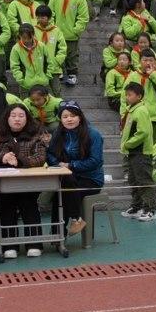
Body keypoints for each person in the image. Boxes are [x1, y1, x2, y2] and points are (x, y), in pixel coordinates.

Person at [0, 104, 47, 259]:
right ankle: (9, 245)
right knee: (6, 208)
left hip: (28, 183)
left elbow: (40, 157)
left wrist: (20, 160)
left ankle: (34, 244)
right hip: (4, 183)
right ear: (7, 118)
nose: (17, 119)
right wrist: (2, 158)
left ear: (27, 118)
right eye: (13, 116)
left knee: (29, 206)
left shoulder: (35, 136)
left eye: (21, 116)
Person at [46, 100, 104, 237]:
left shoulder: (93, 134)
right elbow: (50, 154)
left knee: (62, 193)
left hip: (90, 179)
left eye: (73, 115)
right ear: (61, 119)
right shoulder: (58, 133)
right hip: (68, 177)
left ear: (80, 117)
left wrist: (70, 165)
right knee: (63, 189)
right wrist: (58, 164)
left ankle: (58, 233)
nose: (69, 119)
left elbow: (95, 161)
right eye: (65, 116)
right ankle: (74, 221)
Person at [120, 82, 156, 222]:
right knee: (134, 180)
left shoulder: (140, 110)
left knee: (144, 181)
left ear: (139, 96)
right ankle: (137, 207)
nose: (127, 97)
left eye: (130, 95)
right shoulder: (131, 110)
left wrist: (128, 144)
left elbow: (143, 132)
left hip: (141, 152)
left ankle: (150, 209)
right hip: (132, 152)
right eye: (126, 95)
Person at [48, 0, 90, 87]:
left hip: (71, 35)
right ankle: (60, 72)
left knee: (72, 55)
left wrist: (76, 31)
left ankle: (72, 74)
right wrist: (52, 26)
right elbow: (50, 11)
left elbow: (83, 18)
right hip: (56, 32)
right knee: (57, 52)